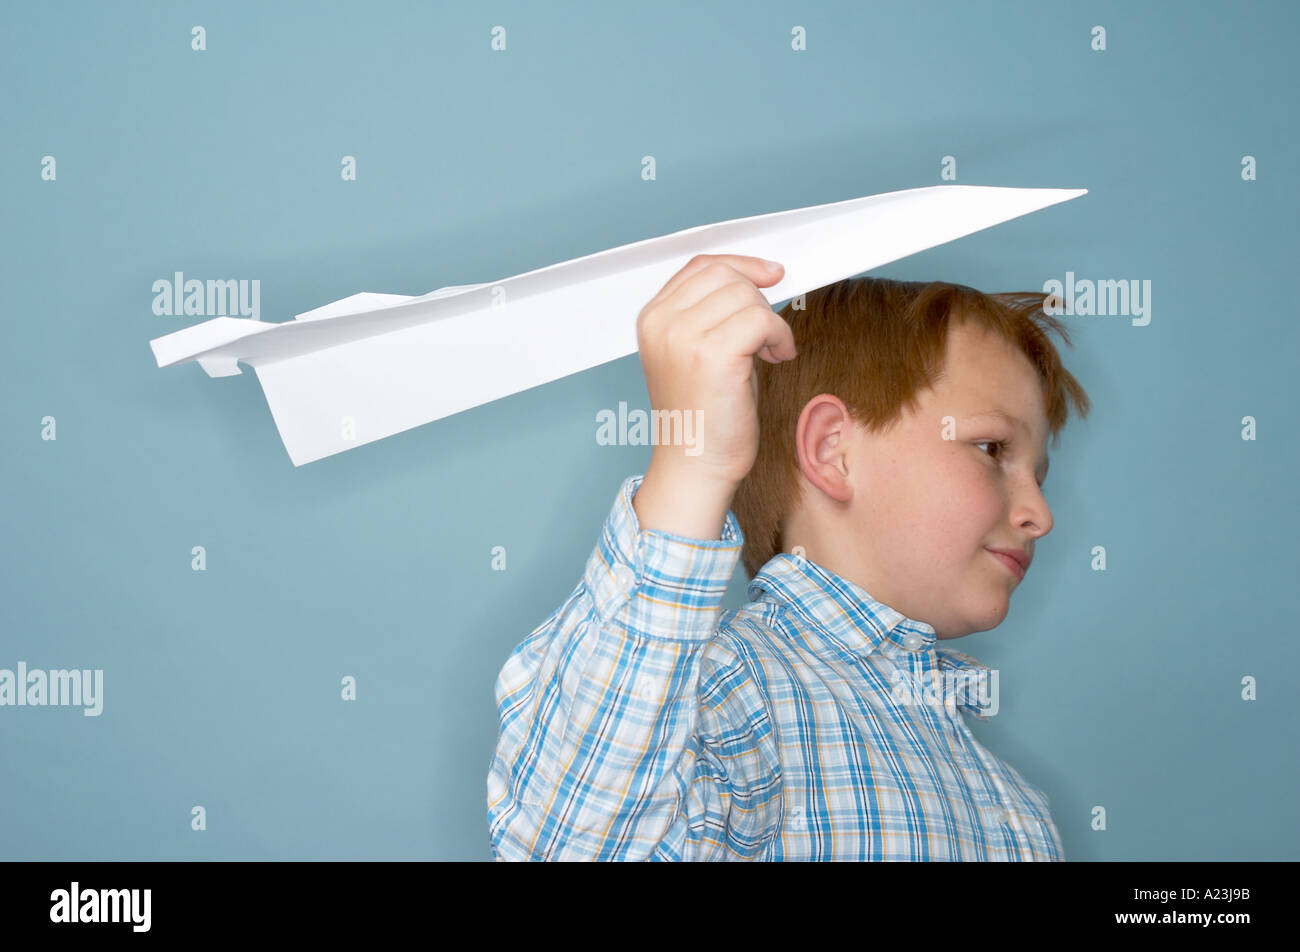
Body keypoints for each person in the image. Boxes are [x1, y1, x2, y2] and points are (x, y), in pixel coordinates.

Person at [487, 253, 1091, 860]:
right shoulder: (730, 691)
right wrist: (695, 467)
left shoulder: (1014, 804)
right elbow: (572, 841)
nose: (1040, 513)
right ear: (833, 451)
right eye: (991, 449)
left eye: (1038, 475)